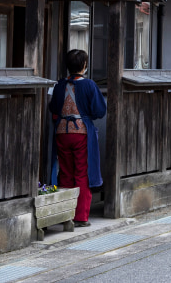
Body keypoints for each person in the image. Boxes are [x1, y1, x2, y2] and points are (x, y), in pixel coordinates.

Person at [49, 49, 107, 226]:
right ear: (84, 65)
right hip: (81, 133)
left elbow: (53, 108)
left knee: (65, 173)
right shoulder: (89, 85)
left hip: (61, 132)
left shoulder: (60, 85)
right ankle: (80, 217)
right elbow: (99, 111)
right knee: (82, 173)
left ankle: (65, 214)